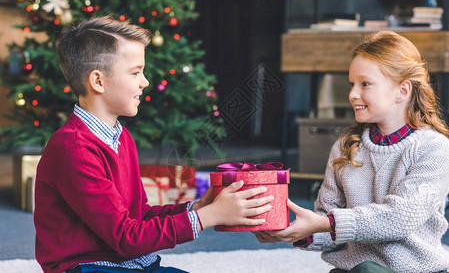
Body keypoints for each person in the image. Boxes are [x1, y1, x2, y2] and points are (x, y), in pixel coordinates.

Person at [34, 15, 273, 273]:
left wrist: (197, 208)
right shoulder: (74, 149)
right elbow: (126, 238)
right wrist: (209, 217)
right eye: (136, 72)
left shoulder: (121, 138)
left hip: (131, 263)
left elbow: (138, 217)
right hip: (87, 267)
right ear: (98, 81)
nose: (144, 81)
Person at [254, 31, 449, 272]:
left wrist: (325, 223)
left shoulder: (434, 148)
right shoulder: (346, 146)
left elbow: (401, 218)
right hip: (353, 270)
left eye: (365, 84)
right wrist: (298, 232)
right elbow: (328, 223)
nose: (352, 94)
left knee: (366, 270)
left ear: (403, 90)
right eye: (352, 84)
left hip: (415, 271)